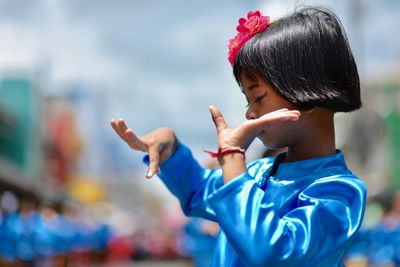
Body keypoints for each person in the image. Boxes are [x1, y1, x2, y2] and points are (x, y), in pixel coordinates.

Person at [111, 7, 367, 267]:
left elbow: (272, 253)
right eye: (248, 100)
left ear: (308, 93)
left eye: (258, 97)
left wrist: (233, 157)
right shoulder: (257, 173)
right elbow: (199, 189)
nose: (250, 113)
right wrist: (170, 148)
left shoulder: (339, 193)